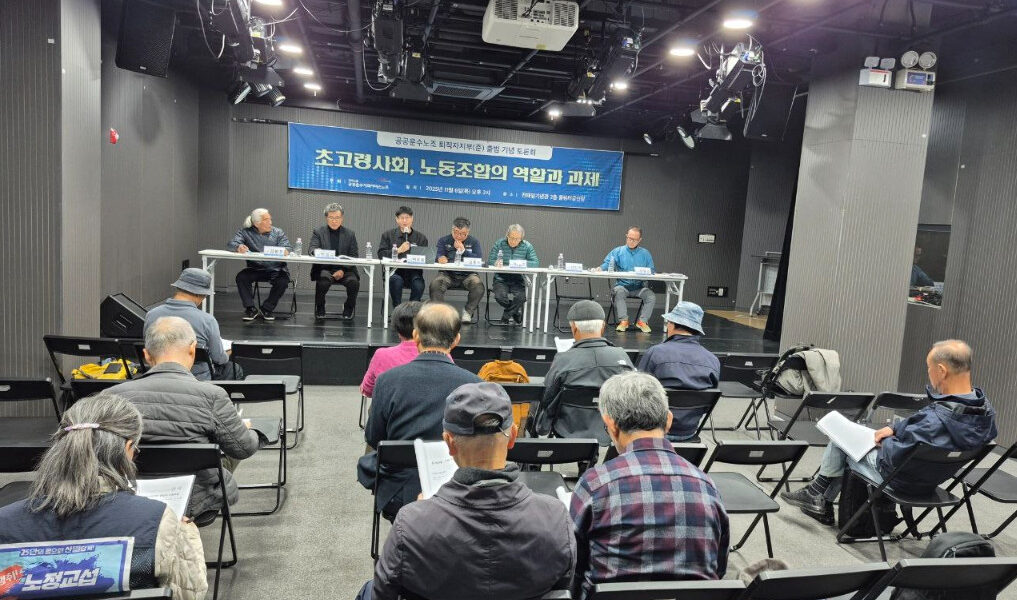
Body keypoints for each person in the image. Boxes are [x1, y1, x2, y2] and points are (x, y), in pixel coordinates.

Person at [362, 382, 576, 600]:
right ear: (512, 437)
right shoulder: (557, 518)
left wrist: (423, 513)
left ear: (449, 443)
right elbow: (563, 590)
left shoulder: (410, 524)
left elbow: (382, 594)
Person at [0, 392, 208, 600]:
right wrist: (184, 533)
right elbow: (189, 595)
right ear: (128, 448)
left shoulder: (5, 522)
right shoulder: (157, 521)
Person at [781, 339, 997, 525]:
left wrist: (884, 442)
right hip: (931, 479)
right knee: (857, 437)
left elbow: (894, 456)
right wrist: (894, 428)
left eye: (929, 368)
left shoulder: (933, 421)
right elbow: (927, 423)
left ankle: (817, 494)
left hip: (898, 480)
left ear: (941, 370)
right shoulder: (983, 411)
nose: (928, 374)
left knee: (841, 438)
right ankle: (819, 496)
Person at [570, 372, 729, 600]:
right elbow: (718, 568)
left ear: (611, 426)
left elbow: (573, 564)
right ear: (669, 420)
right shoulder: (707, 486)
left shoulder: (595, 484)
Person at [109, 316, 260, 522]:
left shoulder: (111, 396)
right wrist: (248, 431)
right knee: (229, 444)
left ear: (146, 355)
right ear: (192, 349)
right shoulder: (213, 396)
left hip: (128, 494)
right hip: (195, 499)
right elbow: (244, 448)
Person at [359, 302, 481, 519]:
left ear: (416, 336)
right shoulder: (474, 385)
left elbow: (373, 436)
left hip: (398, 494)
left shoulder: (387, 381)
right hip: (458, 492)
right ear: (456, 340)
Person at [533, 300, 633, 444]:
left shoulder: (563, 360)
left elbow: (546, 396)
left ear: (574, 329)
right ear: (603, 327)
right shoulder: (622, 357)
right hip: (611, 428)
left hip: (567, 429)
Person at [638, 301, 720, 441]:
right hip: (688, 432)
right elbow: (707, 404)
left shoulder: (655, 353)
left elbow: (637, 394)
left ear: (672, 324)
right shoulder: (712, 360)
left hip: (652, 431)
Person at [144, 267, 241, 381]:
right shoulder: (207, 320)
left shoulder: (151, 315)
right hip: (197, 378)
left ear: (179, 287)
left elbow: (149, 347)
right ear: (200, 294)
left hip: (158, 375)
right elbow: (219, 359)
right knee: (234, 368)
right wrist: (228, 351)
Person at [227, 207, 291, 321]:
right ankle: (250, 308)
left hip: (276, 269)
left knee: (283, 280)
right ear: (257, 223)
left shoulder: (278, 232)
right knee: (242, 277)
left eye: (270, 219)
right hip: (255, 269)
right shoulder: (245, 232)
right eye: (266, 220)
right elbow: (231, 243)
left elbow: (287, 247)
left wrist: (286, 250)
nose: (270, 222)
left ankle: (267, 308)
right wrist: (239, 247)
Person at [597, 227, 656, 333]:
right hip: (622, 286)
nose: (631, 241)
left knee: (650, 296)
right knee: (619, 292)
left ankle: (642, 321)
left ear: (640, 240)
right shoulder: (618, 251)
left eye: (634, 239)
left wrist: (647, 272)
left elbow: (652, 270)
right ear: (626, 236)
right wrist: (600, 268)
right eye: (629, 238)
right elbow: (607, 263)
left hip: (639, 287)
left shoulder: (645, 254)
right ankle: (624, 321)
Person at [360, 301, 423, 398]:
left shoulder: (382, 355)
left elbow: (367, 390)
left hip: (392, 412)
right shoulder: (442, 355)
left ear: (397, 328)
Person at [309, 202, 360, 320]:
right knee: (323, 281)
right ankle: (320, 306)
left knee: (354, 283)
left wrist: (342, 269)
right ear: (326, 218)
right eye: (331, 217)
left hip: (345, 269)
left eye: (337, 218)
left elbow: (354, 255)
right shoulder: (318, 232)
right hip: (325, 268)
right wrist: (317, 252)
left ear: (342, 218)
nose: (334, 221)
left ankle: (348, 308)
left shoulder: (350, 234)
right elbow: (312, 249)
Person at [430, 217, 486, 323]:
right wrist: (440, 258)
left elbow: (478, 259)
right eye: (456, 233)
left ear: (468, 232)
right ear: (452, 229)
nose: (459, 236)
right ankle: (440, 314)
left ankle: (468, 312)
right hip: (447, 274)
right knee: (435, 285)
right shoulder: (444, 240)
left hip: (468, 275)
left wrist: (464, 250)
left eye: (463, 234)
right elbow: (437, 254)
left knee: (478, 287)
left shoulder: (474, 242)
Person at [487, 224, 539, 325]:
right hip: (501, 279)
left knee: (521, 298)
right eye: (512, 238)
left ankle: (506, 315)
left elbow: (535, 263)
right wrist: (495, 263)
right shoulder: (499, 243)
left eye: (517, 239)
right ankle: (515, 313)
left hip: (518, 279)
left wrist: (521, 264)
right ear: (507, 235)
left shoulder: (527, 246)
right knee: (499, 297)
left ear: (521, 238)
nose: (514, 241)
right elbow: (490, 260)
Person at [379, 206, 428, 306]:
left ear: (412, 219)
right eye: (402, 218)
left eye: (407, 218)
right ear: (397, 219)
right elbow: (381, 254)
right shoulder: (387, 235)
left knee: (418, 284)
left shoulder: (421, 238)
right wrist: (398, 250)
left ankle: (411, 310)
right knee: (396, 281)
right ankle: (398, 310)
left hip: (414, 272)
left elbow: (425, 258)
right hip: (395, 271)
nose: (405, 221)